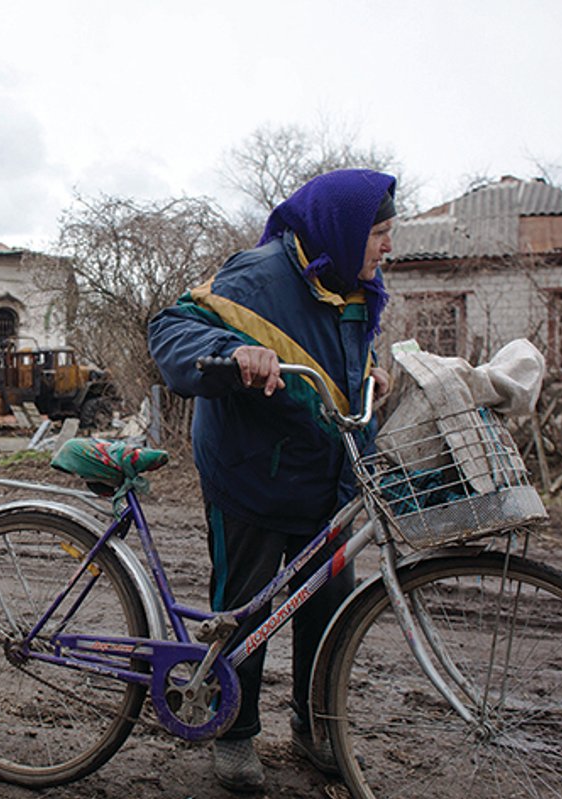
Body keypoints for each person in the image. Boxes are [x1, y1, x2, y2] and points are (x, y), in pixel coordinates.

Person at [147, 169, 396, 792]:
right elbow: (171, 331)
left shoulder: (352, 281)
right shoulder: (254, 277)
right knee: (245, 609)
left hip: (329, 479)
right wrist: (234, 355)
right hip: (253, 473)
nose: (387, 247)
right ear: (341, 230)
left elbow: (338, 352)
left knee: (329, 607)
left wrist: (372, 373)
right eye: (380, 234)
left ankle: (316, 727)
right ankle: (232, 731)